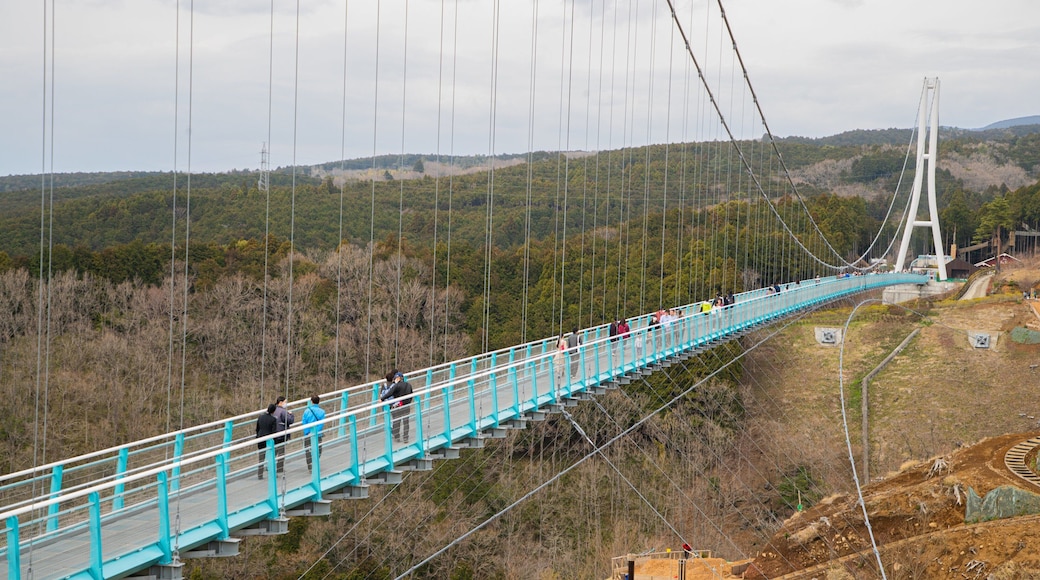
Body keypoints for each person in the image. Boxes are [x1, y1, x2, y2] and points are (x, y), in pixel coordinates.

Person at [380, 371, 414, 442]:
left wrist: (382, 399)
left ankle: (397, 436)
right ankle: (405, 437)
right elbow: (411, 395)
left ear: (397, 378)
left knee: (397, 420)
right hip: (406, 405)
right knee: (406, 421)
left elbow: (389, 393)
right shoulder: (409, 385)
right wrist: (408, 402)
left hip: (398, 405)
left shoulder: (396, 386)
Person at [301, 394, 326, 471]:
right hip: (318, 434)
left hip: (308, 434)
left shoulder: (306, 411)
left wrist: (307, 432)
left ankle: (309, 464)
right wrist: (316, 432)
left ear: (311, 401)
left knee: (308, 449)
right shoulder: (322, 412)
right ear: (319, 402)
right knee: (318, 449)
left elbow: (304, 423)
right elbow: (321, 424)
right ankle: (315, 462)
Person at [255, 404, 278, 479]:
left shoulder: (260, 417)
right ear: (274, 411)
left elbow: (257, 428)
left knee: (261, 457)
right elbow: (274, 431)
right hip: (268, 439)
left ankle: (260, 474)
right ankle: (272, 473)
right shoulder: (273, 419)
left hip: (260, 437)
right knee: (271, 456)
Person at [272, 396, 293, 471]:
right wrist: (291, 415)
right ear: (281, 402)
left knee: (273, 451)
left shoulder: (273, 410)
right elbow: (289, 421)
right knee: (281, 451)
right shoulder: (283, 411)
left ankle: (270, 466)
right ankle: (279, 468)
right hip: (281, 433)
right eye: (285, 402)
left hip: (273, 433)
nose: (286, 404)